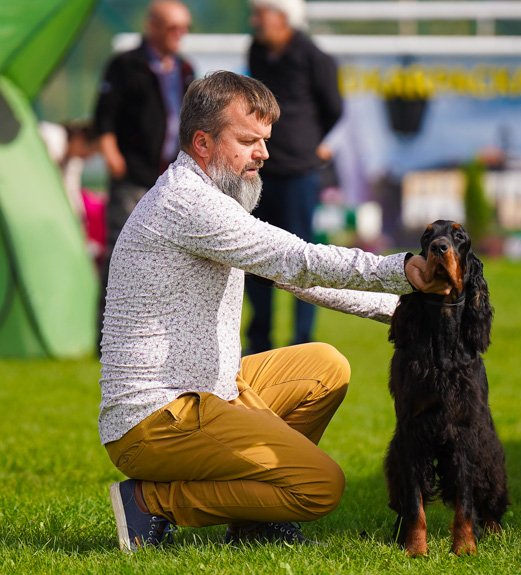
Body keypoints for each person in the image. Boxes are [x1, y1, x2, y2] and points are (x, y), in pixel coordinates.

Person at [100, 71, 450, 552]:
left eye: (264, 140)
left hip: (209, 391)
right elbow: (298, 259)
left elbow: (293, 279)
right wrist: (402, 267)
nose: (263, 153)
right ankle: (152, 503)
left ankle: (257, 518)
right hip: (156, 419)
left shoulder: (210, 200)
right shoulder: (188, 203)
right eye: (248, 141)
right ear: (202, 143)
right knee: (319, 487)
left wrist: (401, 310)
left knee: (326, 367)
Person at [244, 0, 344, 353]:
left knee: (302, 259)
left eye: (260, 14)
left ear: (283, 18)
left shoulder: (315, 57)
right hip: (258, 173)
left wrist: (310, 142)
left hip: (299, 175)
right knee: (254, 257)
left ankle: (301, 340)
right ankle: (258, 342)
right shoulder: (256, 51)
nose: (254, 21)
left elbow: (335, 108)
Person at [93, 0, 195, 301]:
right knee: (121, 252)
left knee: (167, 255)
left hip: (170, 177)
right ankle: (106, 329)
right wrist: (112, 155)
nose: (179, 34)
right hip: (133, 174)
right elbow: (104, 116)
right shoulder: (125, 65)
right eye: (172, 28)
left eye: (184, 28)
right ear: (152, 26)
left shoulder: (185, 68)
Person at [38, 120, 106, 269]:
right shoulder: (51, 137)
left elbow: (72, 193)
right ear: (79, 138)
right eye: (91, 151)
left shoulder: (72, 160)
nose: (87, 157)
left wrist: (81, 228)